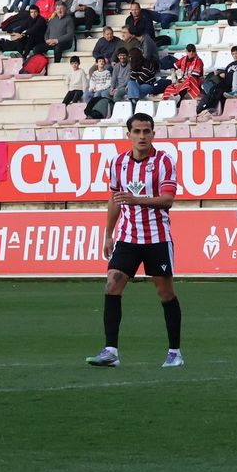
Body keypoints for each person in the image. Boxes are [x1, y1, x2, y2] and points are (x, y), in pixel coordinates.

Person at [86, 113, 184, 369]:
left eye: (147, 131)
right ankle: (110, 351)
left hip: (157, 239)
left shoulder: (164, 161)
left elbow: (167, 200)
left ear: (153, 133)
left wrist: (135, 200)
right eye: (137, 131)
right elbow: (115, 199)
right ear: (128, 134)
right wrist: (109, 233)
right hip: (128, 237)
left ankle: (174, 352)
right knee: (112, 285)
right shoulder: (118, 163)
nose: (142, 136)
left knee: (165, 293)